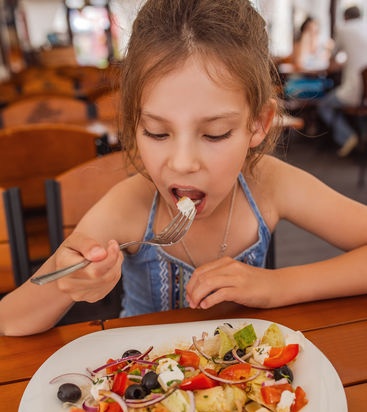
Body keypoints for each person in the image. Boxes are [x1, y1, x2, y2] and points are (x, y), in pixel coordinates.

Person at [1, 0, 367, 337]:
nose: (182, 163)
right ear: (133, 123)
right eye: (157, 133)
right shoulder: (129, 205)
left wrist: (276, 286)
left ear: (258, 123)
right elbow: (10, 321)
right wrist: (66, 282)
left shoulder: (269, 184)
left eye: (215, 133)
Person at [318, 6, 367, 157]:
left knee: (323, 104)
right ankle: (362, 138)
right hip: (365, 90)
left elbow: (332, 57)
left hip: (355, 91)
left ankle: (347, 136)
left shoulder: (343, 29)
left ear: (345, 18)